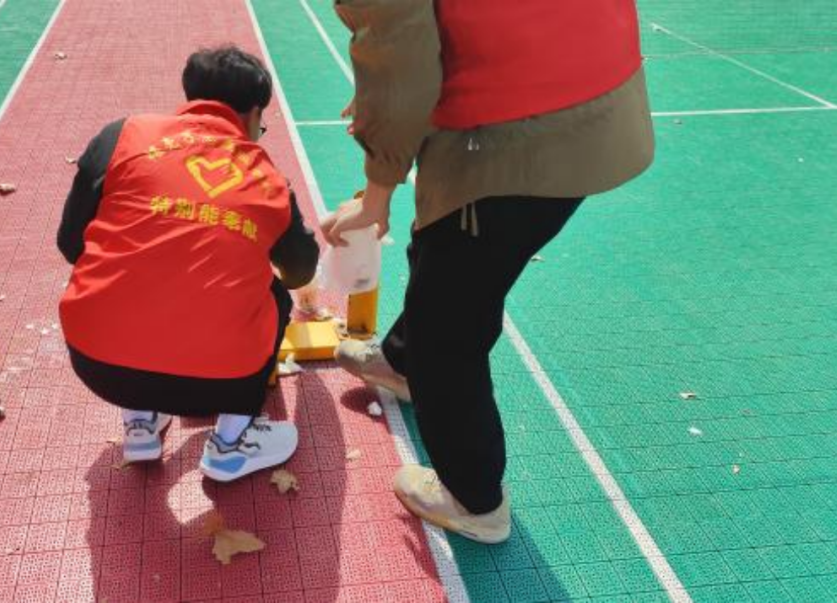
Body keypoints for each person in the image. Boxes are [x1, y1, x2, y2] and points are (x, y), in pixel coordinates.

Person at [323, 0, 654, 542]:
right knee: (452, 254)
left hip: (517, 132)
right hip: (594, 100)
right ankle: (402, 363)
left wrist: (376, 196)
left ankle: (473, 499)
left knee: (448, 327)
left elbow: (402, 57)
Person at [58, 46, 319, 482]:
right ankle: (231, 445)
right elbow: (299, 273)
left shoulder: (122, 135)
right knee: (276, 296)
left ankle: (140, 422)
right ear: (254, 114)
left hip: (96, 363)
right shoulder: (268, 177)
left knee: (129, 275)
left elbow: (71, 244)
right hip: (222, 384)